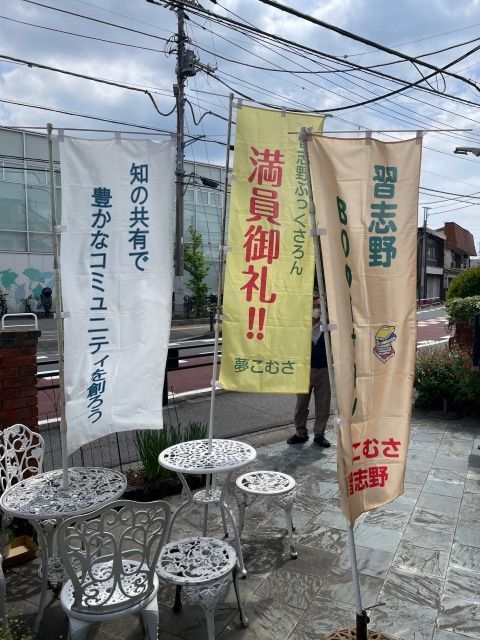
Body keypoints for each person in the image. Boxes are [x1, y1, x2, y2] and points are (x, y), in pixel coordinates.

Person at [287, 294, 331, 447]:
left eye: (319, 306)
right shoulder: (300, 327)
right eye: (314, 306)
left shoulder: (328, 325)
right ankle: (301, 433)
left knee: (323, 404)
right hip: (303, 370)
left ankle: (319, 434)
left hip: (324, 370)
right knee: (301, 404)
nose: (317, 309)